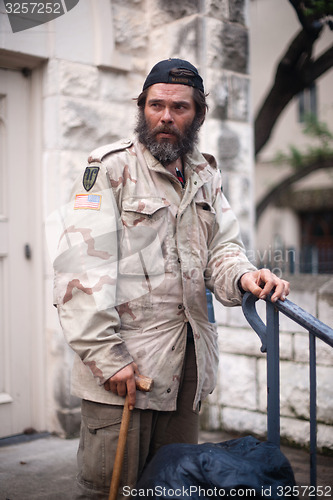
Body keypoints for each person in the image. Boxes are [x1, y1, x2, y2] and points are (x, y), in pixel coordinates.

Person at [53, 58, 290, 499]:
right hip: (125, 371)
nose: (165, 116)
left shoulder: (205, 174)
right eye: (156, 105)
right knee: (114, 490)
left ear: (198, 114)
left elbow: (222, 249)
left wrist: (246, 278)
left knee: (174, 487)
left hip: (187, 368)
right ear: (142, 107)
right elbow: (80, 272)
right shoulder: (108, 168)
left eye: (179, 107)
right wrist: (107, 357)